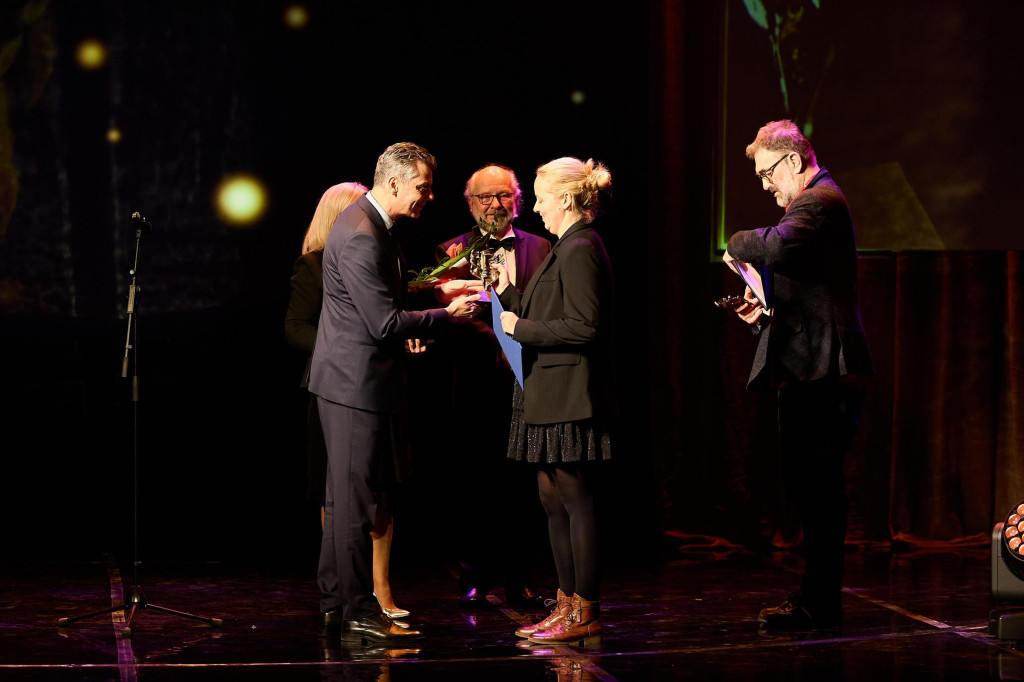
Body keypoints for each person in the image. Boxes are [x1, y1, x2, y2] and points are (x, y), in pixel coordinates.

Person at [309, 142, 481, 645]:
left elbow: (378, 296)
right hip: (353, 385)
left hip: (351, 381)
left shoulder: (370, 224)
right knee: (354, 504)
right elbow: (384, 322)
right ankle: (359, 612)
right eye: (423, 187)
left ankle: (336, 605)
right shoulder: (363, 233)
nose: (429, 196)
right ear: (393, 183)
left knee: (344, 500)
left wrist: (434, 292)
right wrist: (447, 315)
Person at [725, 119, 873, 630]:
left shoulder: (819, 201)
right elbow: (806, 288)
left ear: (792, 160)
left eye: (767, 173)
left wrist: (734, 240)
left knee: (819, 490)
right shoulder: (813, 205)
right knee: (811, 489)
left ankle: (820, 603)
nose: (766, 185)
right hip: (811, 364)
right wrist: (764, 313)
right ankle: (815, 598)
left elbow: (775, 246)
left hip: (824, 369)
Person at [495, 157, 616, 645]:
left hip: (570, 393)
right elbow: (551, 309)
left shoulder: (581, 246)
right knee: (552, 499)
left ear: (566, 198)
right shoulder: (565, 246)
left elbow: (586, 326)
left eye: (542, 198)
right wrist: (507, 295)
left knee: (574, 500)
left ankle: (585, 609)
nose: (537, 208)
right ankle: (566, 604)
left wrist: (520, 328)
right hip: (547, 390)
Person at [284, 181, 411, 622]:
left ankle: (370, 590)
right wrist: (341, 346)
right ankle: (348, 599)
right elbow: (296, 328)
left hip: (376, 384)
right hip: (340, 385)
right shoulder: (317, 264)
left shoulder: (377, 252)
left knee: (377, 492)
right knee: (341, 496)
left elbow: (386, 317)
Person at [433, 164, 551, 607]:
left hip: (529, 378)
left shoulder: (542, 247)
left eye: (503, 195)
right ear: (470, 203)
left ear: (517, 200)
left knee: (524, 484)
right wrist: (499, 344)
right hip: (476, 381)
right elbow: (455, 317)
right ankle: (475, 574)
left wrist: (520, 344)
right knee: (475, 479)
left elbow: (546, 306)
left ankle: (521, 578)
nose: (494, 204)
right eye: (484, 197)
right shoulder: (450, 250)